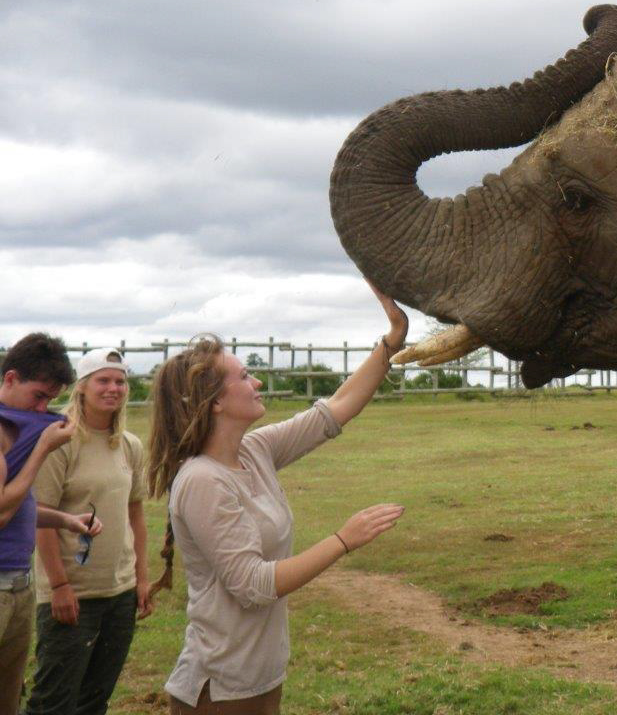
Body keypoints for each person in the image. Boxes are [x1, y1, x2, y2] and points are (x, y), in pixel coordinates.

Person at [147, 285, 408, 715]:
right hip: (220, 687)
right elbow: (253, 585)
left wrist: (392, 339)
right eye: (245, 376)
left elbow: (338, 406)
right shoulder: (202, 481)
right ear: (214, 403)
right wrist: (343, 539)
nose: (258, 382)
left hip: (259, 677)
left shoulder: (255, 450)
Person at [26, 348, 152, 715]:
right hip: (72, 596)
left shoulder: (129, 445)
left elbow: (136, 516)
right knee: (53, 702)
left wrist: (141, 580)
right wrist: (60, 586)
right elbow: (40, 515)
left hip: (119, 592)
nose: (113, 388)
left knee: (94, 700)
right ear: (82, 387)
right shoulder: (59, 441)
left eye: (120, 381)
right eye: (103, 380)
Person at [0, 334, 100, 715]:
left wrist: (65, 520)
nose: (44, 409)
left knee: (9, 699)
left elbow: (20, 502)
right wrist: (41, 448)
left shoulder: (19, 428)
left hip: (19, 586)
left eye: (50, 400)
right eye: (38, 396)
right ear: (10, 379)